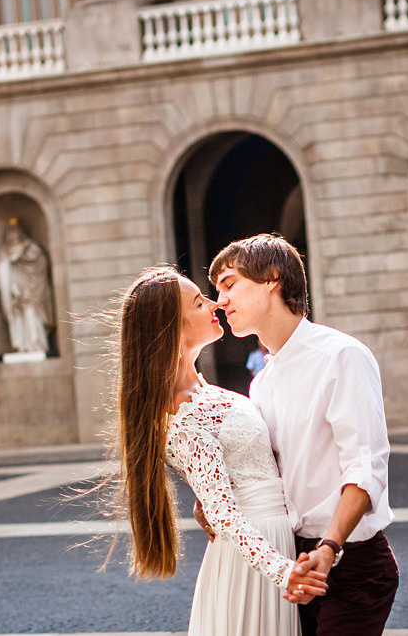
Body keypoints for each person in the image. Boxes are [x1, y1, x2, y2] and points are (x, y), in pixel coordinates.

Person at [113, 266, 328, 636]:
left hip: (271, 540)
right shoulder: (184, 414)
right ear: (174, 329)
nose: (213, 303)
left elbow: (224, 472)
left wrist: (207, 493)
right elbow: (224, 517)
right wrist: (284, 572)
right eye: (199, 302)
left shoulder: (201, 392)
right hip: (257, 560)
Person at [204, 234, 399, 636]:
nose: (220, 301)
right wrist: (216, 497)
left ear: (272, 277)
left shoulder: (341, 356)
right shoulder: (262, 383)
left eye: (229, 284)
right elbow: (271, 471)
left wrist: (330, 547)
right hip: (291, 561)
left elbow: (365, 467)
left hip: (353, 562)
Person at [0, 217, 54, 355]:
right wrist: (6, 267)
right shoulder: (4, 252)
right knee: (18, 317)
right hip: (15, 293)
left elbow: (41, 262)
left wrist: (21, 257)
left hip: (31, 290)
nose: (13, 236)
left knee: (31, 313)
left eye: (16, 232)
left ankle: (36, 344)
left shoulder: (31, 247)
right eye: (10, 233)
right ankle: (22, 346)